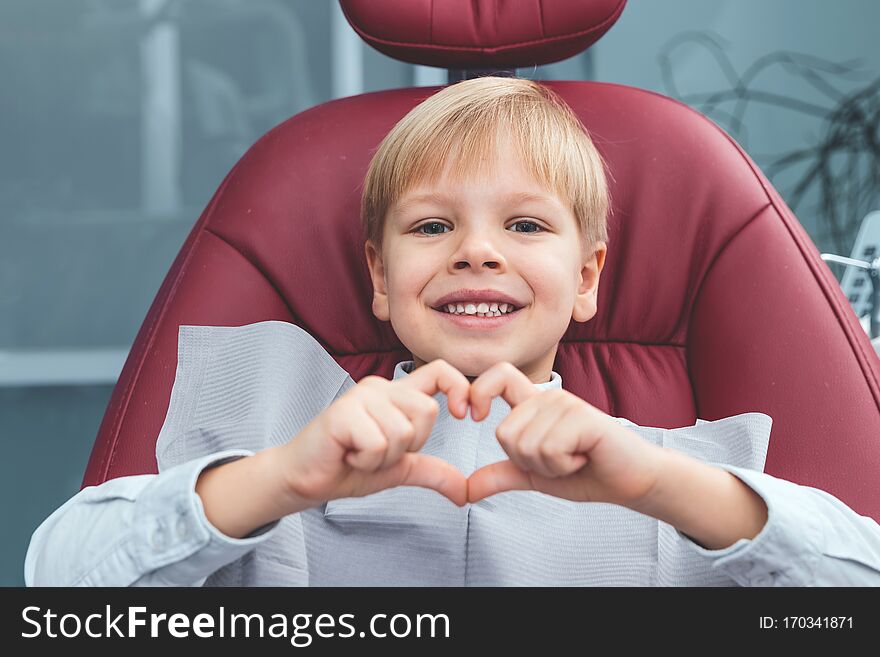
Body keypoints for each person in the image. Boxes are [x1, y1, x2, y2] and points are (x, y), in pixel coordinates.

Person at [25, 76, 880, 586]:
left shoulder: (672, 480)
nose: (476, 250)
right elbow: (57, 579)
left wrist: (662, 485)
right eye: (432, 228)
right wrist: (280, 478)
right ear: (379, 278)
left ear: (587, 280)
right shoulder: (267, 421)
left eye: (525, 227)